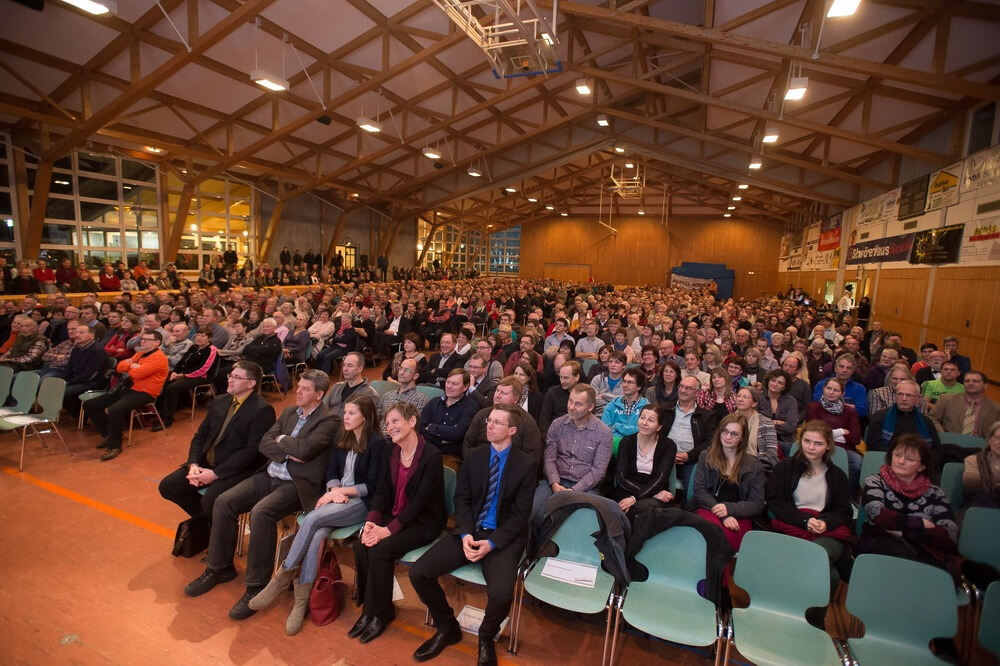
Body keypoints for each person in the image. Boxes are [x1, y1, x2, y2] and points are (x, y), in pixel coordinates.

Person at [183, 370, 339, 620]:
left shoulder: (329, 421)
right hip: (268, 475)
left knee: (261, 512)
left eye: (305, 389)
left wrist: (282, 442)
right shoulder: (289, 412)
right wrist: (287, 448)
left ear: (319, 395)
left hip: (295, 484)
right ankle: (219, 568)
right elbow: (264, 444)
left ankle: (256, 586)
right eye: (298, 386)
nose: (298, 391)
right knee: (224, 502)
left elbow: (306, 450)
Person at [409, 404, 535, 666]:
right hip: (470, 531)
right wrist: (465, 533)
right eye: (489, 420)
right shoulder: (475, 456)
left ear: (512, 430)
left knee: (501, 594)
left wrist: (491, 543)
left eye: (497, 422)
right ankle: (447, 627)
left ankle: (486, 637)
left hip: (501, 538)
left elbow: (520, 516)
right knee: (419, 572)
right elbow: (462, 499)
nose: (489, 425)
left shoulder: (525, 464)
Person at [249, 395, 387, 635]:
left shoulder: (377, 443)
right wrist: (333, 490)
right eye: (345, 412)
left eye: (352, 413)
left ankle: (282, 576)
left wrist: (338, 491)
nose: (346, 417)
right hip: (337, 497)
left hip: (361, 502)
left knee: (312, 519)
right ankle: (301, 603)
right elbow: (331, 470)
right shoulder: (342, 437)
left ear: (365, 416)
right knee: (317, 534)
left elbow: (373, 486)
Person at [349, 401, 446, 644]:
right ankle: (370, 609)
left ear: (412, 422)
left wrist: (387, 530)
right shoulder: (390, 451)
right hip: (394, 516)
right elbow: (381, 491)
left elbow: (420, 503)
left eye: (395, 421)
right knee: (361, 544)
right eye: (387, 423)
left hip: (423, 521)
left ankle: (379, 614)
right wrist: (372, 522)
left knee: (381, 550)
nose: (390, 427)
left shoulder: (431, 456)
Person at [158, 361, 275, 530]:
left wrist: (216, 474)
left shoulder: (262, 410)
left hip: (235, 469)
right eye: (230, 376)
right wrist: (194, 464)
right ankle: (211, 526)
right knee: (168, 486)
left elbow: (251, 452)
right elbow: (200, 436)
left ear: (251, 384)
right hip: (207, 463)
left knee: (210, 501)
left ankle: (218, 531)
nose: (230, 380)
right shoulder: (220, 401)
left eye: (236, 377)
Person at [766, 421, 853, 627]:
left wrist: (825, 523)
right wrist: (805, 521)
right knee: (829, 575)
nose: (811, 447)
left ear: (828, 446)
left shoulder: (837, 475)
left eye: (818, 443)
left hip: (827, 533)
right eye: (807, 441)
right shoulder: (784, 467)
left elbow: (844, 511)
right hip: (793, 526)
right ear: (800, 440)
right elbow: (775, 502)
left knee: (818, 554)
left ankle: (791, 612)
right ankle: (812, 621)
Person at [858, 434, 958, 575]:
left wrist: (904, 532)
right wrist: (921, 524)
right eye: (897, 455)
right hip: (880, 545)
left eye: (909, 459)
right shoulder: (875, 482)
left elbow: (949, 534)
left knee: (935, 565)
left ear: (922, 466)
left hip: (921, 547)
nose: (901, 461)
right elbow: (879, 515)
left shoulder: (935, 493)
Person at [532, 384, 613, 520]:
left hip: (585, 486)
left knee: (581, 519)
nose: (571, 407)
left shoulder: (604, 433)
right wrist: (555, 483)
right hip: (555, 480)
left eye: (578, 404)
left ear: (591, 407)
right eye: (570, 401)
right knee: (535, 511)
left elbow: (598, 471)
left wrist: (574, 491)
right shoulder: (557, 424)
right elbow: (549, 458)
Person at [84, 330, 169, 461]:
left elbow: (138, 374)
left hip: (145, 392)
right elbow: (120, 366)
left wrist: (133, 367)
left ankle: (115, 446)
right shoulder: (140, 354)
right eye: (142, 339)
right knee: (90, 404)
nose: (143, 341)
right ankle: (109, 435)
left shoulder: (159, 358)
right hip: (130, 388)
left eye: (147, 339)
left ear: (157, 343)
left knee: (115, 410)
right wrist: (132, 365)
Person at [689, 413, 765, 553]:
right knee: (709, 534)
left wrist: (729, 509)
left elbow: (757, 503)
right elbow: (699, 491)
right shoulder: (706, 456)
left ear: (742, 438)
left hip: (739, 515)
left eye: (734, 434)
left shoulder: (754, 465)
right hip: (709, 509)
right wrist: (723, 514)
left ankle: (717, 575)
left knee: (725, 539)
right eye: (725, 431)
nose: (728, 437)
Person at [611, 404, 676, 517]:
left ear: (659, 426)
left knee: (640, 510)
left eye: (650, 420)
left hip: (655, 487)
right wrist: (653, 494)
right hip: (628, 488)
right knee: (616, 508)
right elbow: (621, 477)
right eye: (642, 417)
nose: (644, 423)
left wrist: (635, 498)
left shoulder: (668, 445)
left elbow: (661, 479)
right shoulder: (626, 442)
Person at [152, 327, 218, 430]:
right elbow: (182, 361)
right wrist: (175, 372)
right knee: (163, 384)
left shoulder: (212, 350)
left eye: (203, 336)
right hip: (184, 374)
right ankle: (160, 414)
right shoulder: (193, 347)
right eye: (198, 335)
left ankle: (168, 419)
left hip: (201, 377)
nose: (199, 338)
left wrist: (183, 375)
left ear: (209, 338)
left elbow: (203, 369)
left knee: (173, 388)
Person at [807, 377, 863, 489]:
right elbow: (813, 432)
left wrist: (825, 434)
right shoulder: (813, 407)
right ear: (823, 388)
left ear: (842, 394)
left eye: (836, 390)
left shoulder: (850, 411)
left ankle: (849, 495)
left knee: (857, 462)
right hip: (817, 446)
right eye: (829, 388)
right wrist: (840, 431)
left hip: (845, 449)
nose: (831, 392)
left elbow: (855, 438)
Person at [866, 379, 942, 461]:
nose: (904, 398)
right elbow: (873, 445)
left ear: (918, 398)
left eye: (908, 395)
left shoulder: (926, 422)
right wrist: (897, 458)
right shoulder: (880, 416)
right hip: (886, 460)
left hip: (918, 464)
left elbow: (937, 450)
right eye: (900, 394)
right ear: (895, 396)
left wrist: (919, 461)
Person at [419, 368, 479, 458]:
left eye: (454, 384)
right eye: (448, 382)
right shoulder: (434, 402)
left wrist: (432, 427)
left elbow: (458, 433)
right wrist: (443, 438)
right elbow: (421, 428)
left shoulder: (471, 406)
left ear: (465, 387)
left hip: (450, 455)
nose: (449, 386)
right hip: (427, 449)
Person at [62, 323, 110, 416]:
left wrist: (69, 382)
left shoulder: (97, 350)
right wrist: (64, 380)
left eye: (81, 333)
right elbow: (69, 368)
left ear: (91, 336)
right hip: (79, 380)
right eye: (76, 333)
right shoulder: (76, 349)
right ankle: (75, 415)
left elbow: (90, 375)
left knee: (64, 392)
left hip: (93, 382)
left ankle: (79, 417)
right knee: (57, 387)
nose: (77, 335)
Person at [931, 371, 999, 437]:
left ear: (985, 385)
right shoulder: (947, 399)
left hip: (979, 446)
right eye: (967, 381)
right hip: (949, 443)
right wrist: (943, 435)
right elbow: (932, 418)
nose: (970, 383)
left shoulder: (996, 409)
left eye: (975, 381)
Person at [733, 387, 778, 472]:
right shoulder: (729, 420)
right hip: (731, 464)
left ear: (754, 403)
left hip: (757, 467)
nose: (740, 399)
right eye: (738, 396)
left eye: (745, 397)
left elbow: (771, 454)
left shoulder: (765, 423)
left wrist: (745, 460)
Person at [812, 353, 869, 420]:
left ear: (852, 372)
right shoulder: (822, 384)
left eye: (848, 368)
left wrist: (830, 403)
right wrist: (851, 406)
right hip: (824, 423)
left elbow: (861, 411)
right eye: (841, 366)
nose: (844, 370)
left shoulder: (859, 388)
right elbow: (818, 406)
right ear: (835, 368)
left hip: (848, 425)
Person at [323, 351, 378, 418]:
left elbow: (370, 421)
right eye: (343, 365)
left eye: (350, 366)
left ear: (360, 368)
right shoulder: (336, 387)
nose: (345, 369)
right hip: (328, 425)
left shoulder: (370, 393)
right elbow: (325, 409)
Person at [602, 367, 650, 442]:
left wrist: (617, 426)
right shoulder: (611, 405)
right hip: (613, 445)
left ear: (639, 387)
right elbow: (605, 430)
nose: (625, 385)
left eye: (630, 382)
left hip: (637, 447)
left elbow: (644, 431)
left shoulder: (647, 407)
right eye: (624, 381)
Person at [757, 370, 798, 456]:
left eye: (780, 383)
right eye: (773, 380)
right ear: (768, 381)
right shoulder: (758, 398)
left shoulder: (791, 401)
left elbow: (791, 427)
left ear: (784, 387)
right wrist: (778, 422)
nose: (775, 384)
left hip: (785, 441)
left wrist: (768, 423)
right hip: (762, 439)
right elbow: (755, 423)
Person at [963, 421, 1000, 508]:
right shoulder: (973, 460)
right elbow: (971, 482)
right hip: (980, 505)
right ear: (990, 440)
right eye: (998, 437)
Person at [539, 360, 581, 437]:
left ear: (577, 377)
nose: (562, 381)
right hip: (555, 436)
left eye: (566, 378)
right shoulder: (552, 392)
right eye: (560, 377)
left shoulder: (585, 394)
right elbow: (544, 420)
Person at [590, 349, 626, 416]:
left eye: (617, 362)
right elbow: (592, 400)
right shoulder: (597, 379)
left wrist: (603, 395)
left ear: (624, 365)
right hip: (597, 417)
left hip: (618, 418)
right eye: (610, 362)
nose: (613, 365)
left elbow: (625, 402)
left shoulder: (627, 382)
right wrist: (616, 402)